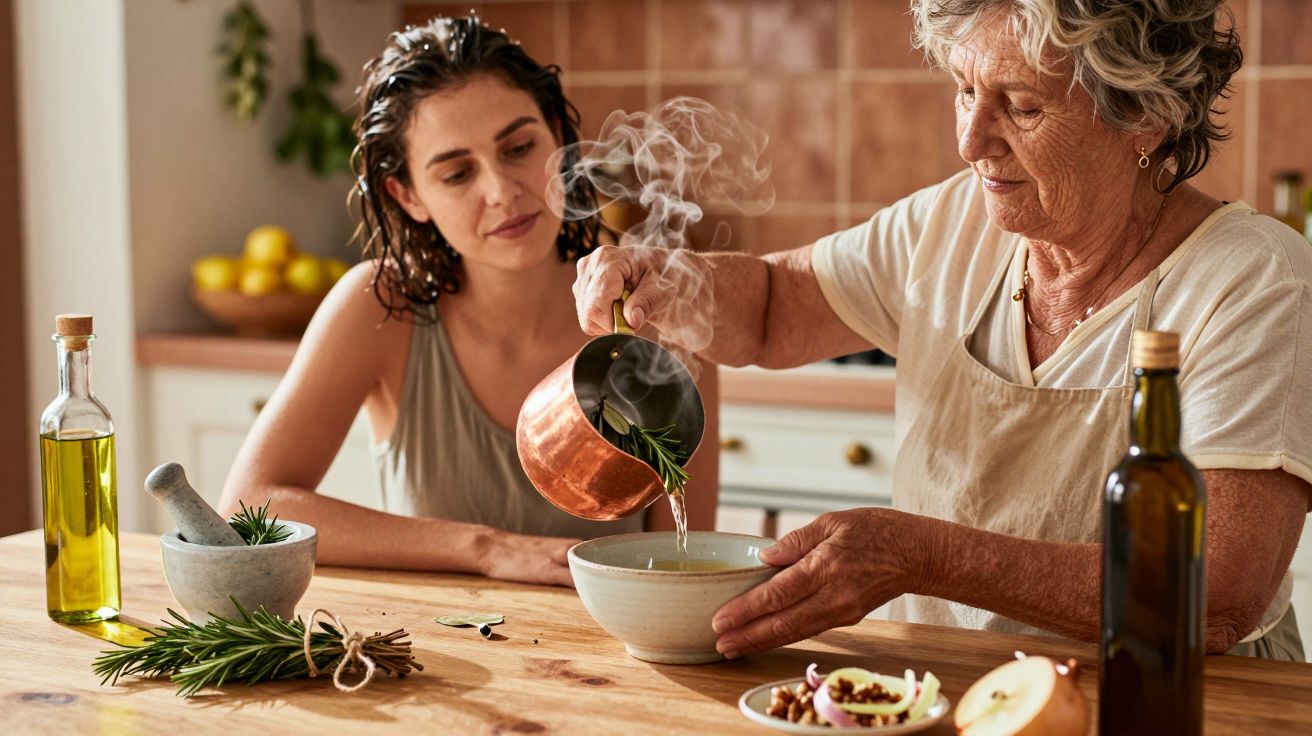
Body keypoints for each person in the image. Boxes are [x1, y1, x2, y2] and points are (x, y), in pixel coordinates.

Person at [573, 0, 1310, 659]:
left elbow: (1212, 592)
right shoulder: (951, 224)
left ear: (1144, 115)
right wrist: (675, 283)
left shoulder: (1253, 280)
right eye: (964, 91)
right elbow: (773, 306)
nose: (970, 140)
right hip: (952, 694)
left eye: (1020, 106)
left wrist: (924, 556)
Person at [218, 16, 720, 587]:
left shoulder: (654, 309)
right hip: (429, 663)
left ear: (558, 136)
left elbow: (690, 564)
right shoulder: (378, 307)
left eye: (520, 147)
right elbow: (248, 509)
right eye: (457, 173)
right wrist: (484, 548)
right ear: (407, 195)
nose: (502, 192)